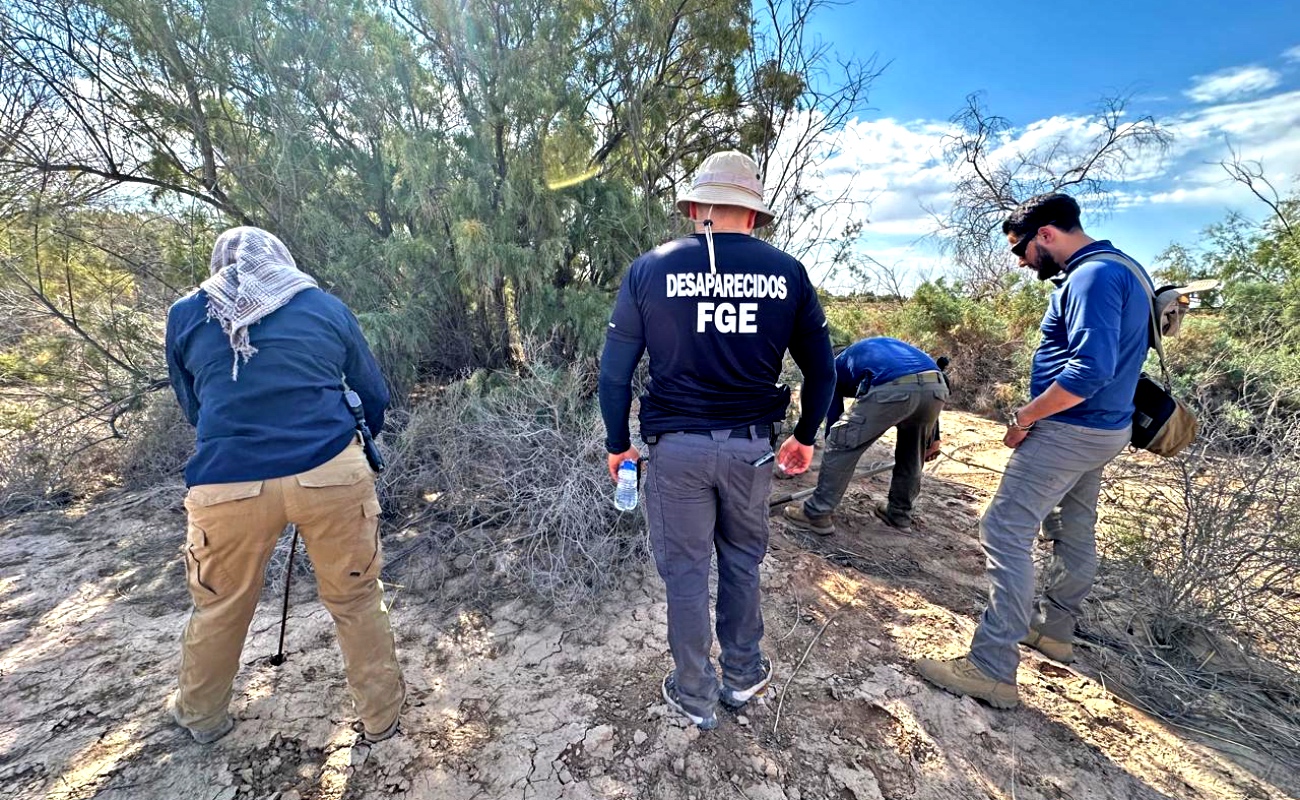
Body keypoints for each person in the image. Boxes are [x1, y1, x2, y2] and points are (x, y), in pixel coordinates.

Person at [598, 151, 835, 730]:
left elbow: (614, 374)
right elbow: (823, 373)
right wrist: (805, 435)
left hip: (676, 449)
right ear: (753, 215)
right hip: (751, 448)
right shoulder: (789, 273)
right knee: (741, 560)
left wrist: (617, 442)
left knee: (685, 571)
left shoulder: (649, 269)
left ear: (696, 206)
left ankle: (694, 691)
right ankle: (743, 674)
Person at [165, 226, 404, 743]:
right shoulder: (323, 306)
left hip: (226, 482)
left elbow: (193, 407)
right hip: (330, 472)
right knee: (356, 598)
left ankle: (203, 718)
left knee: (220, 604)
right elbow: (374, 394)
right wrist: (347, 451)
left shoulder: (187, 314)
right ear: (282, 258)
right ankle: (381, 717)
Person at [916, 193, 1152, 709]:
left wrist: (1025, 417)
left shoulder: (1091, 277)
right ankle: (1054, 632)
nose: (1021, 262)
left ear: (1046, 234)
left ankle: (991, 666)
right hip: (1107, 429)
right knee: (1073, 527)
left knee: (1003, 528)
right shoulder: (1126, 268)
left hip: (1070, 428)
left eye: (1020, 249)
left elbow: (1089, 371)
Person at [781, 337, 948, 534]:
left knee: (839, 440)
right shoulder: (876, 351)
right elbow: (919, 386)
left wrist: (834, 450)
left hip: (894, 387)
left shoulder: (833, 368)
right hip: (937, 388)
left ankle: (816, 514)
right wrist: (933, 439)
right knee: (912, 454)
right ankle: (899, 515)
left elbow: (835, 427)